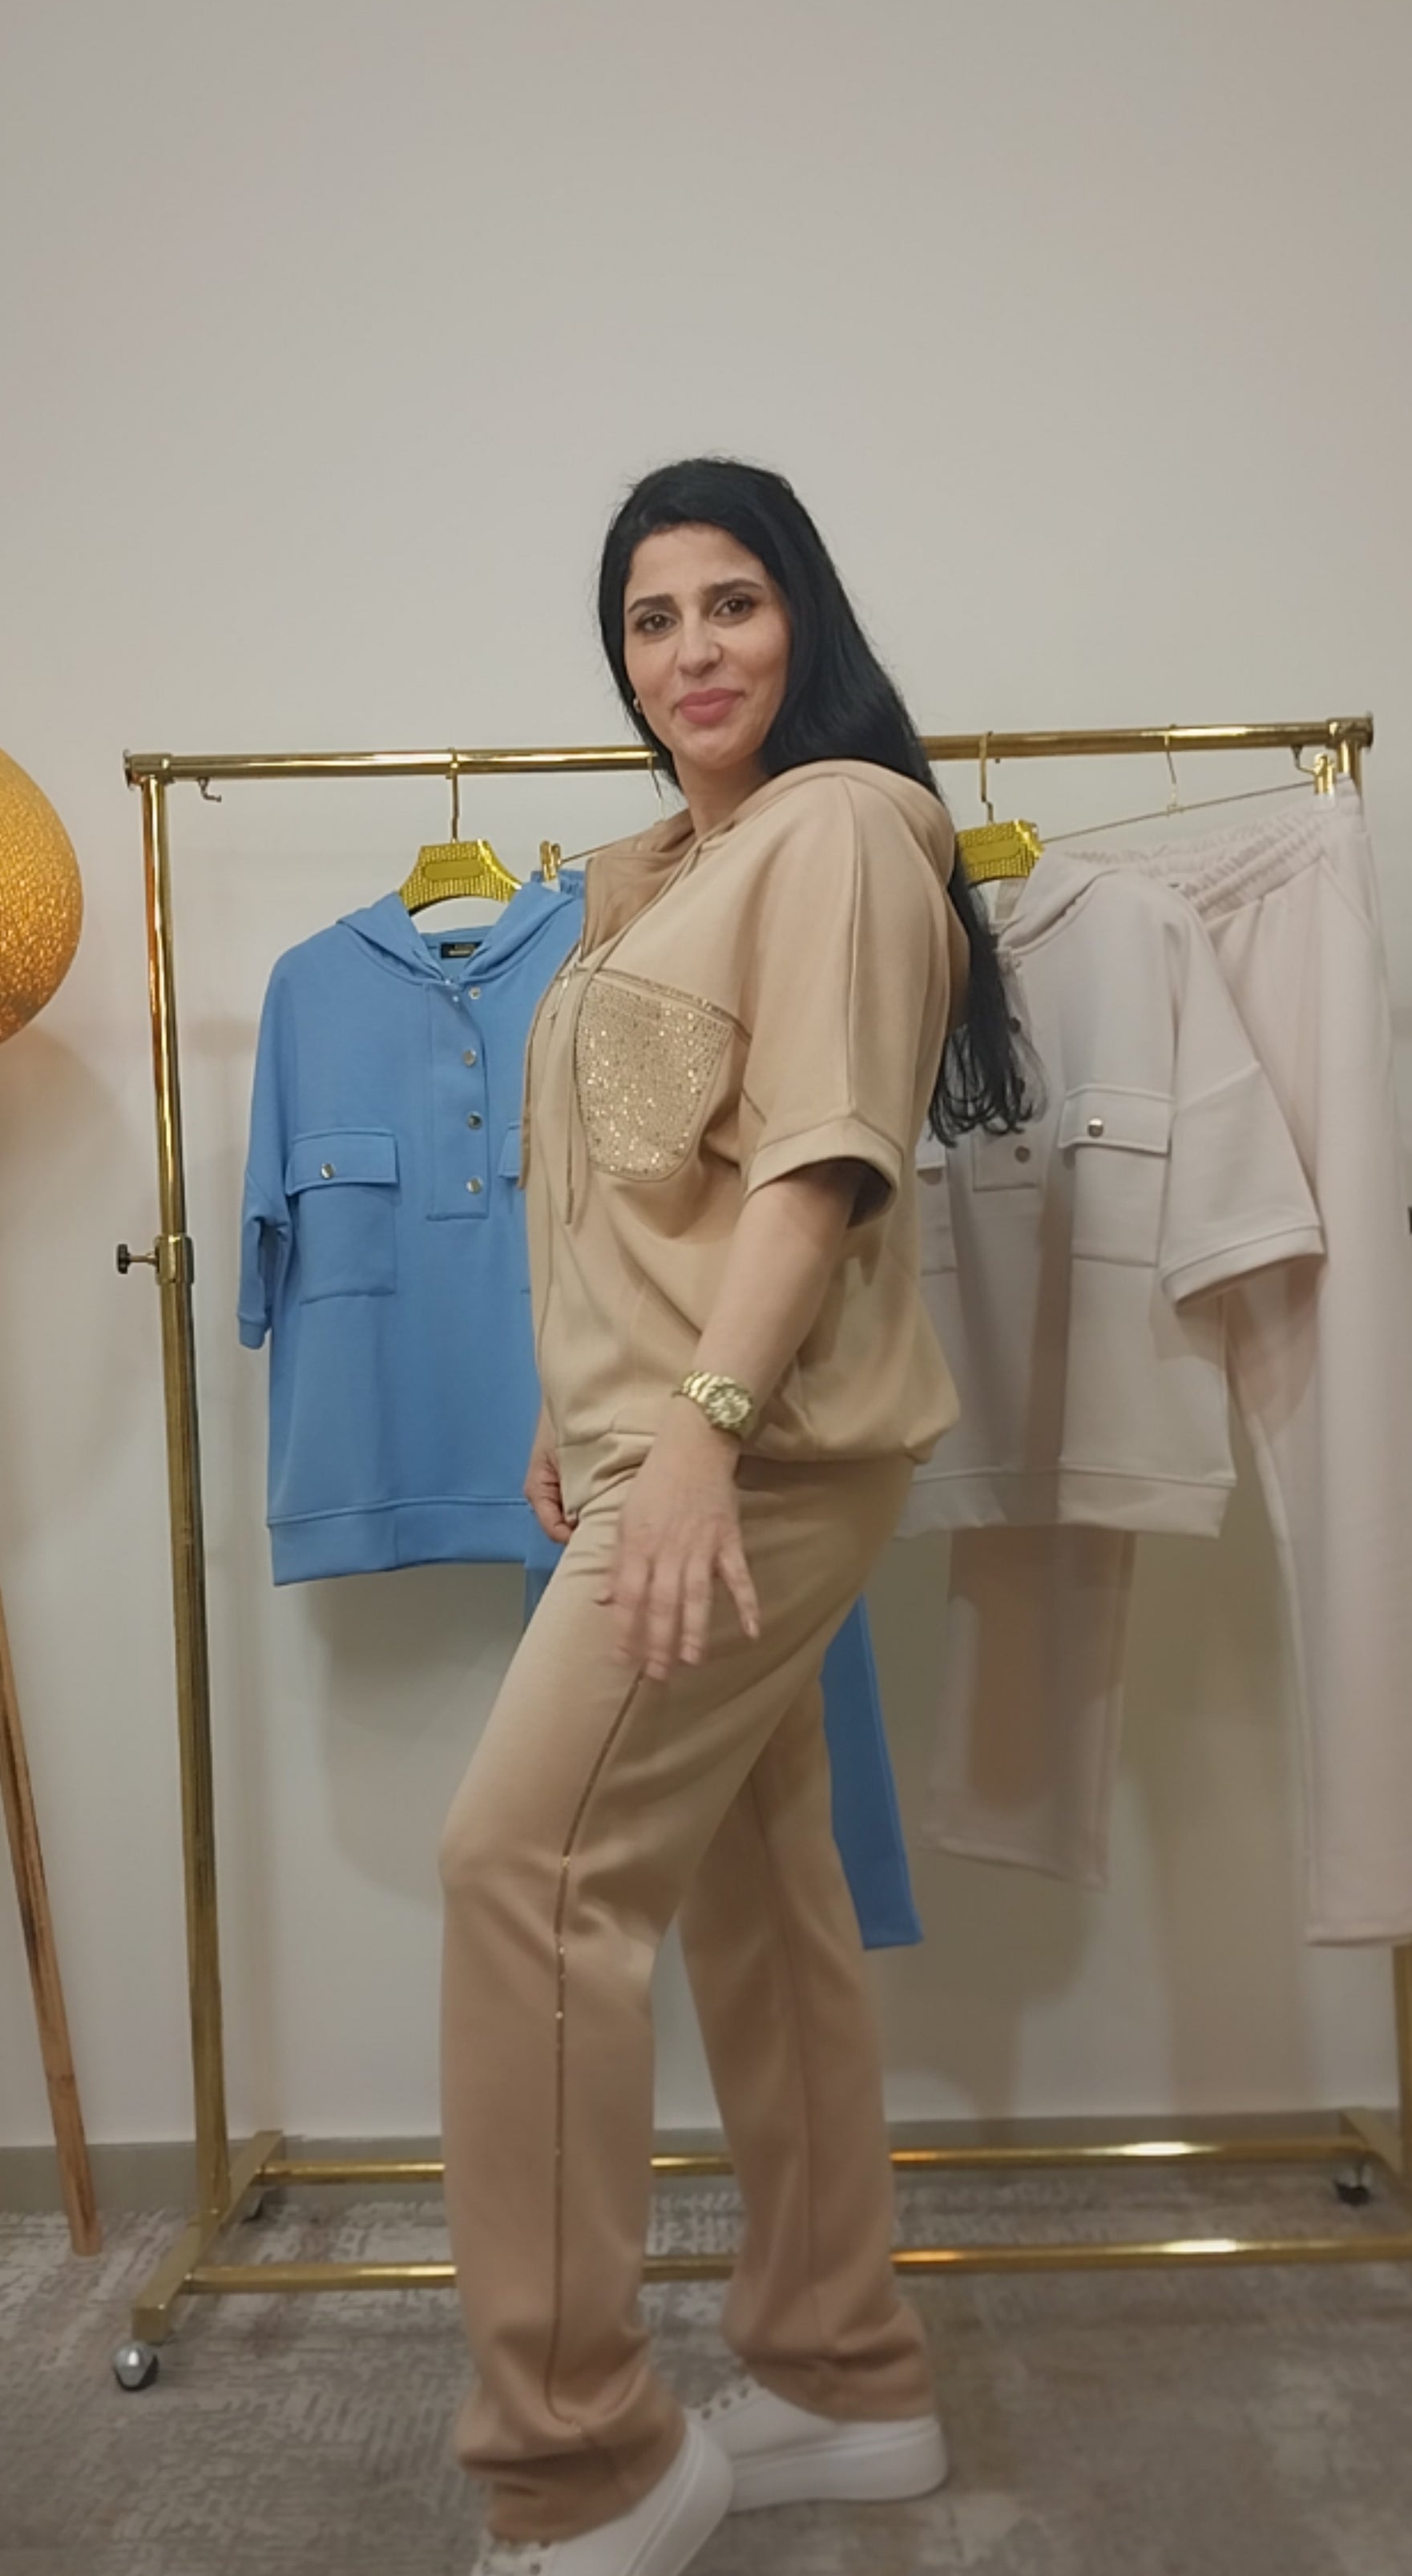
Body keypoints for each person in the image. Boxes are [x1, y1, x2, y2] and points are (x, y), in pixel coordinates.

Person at [438, 457, 1031, 2576]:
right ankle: (840, 2369)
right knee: (760, 1905)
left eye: (733, 602)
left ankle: (579, 2455)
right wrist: (579, 1401)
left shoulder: (841, 828)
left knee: (523, 1873)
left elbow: (820, 1158)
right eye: (650, 617)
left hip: (748, 1455)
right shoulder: (652, 876)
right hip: (670, 1443)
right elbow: (640, 1191)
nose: (690, 650)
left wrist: (690, 1428)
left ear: (807, 619)